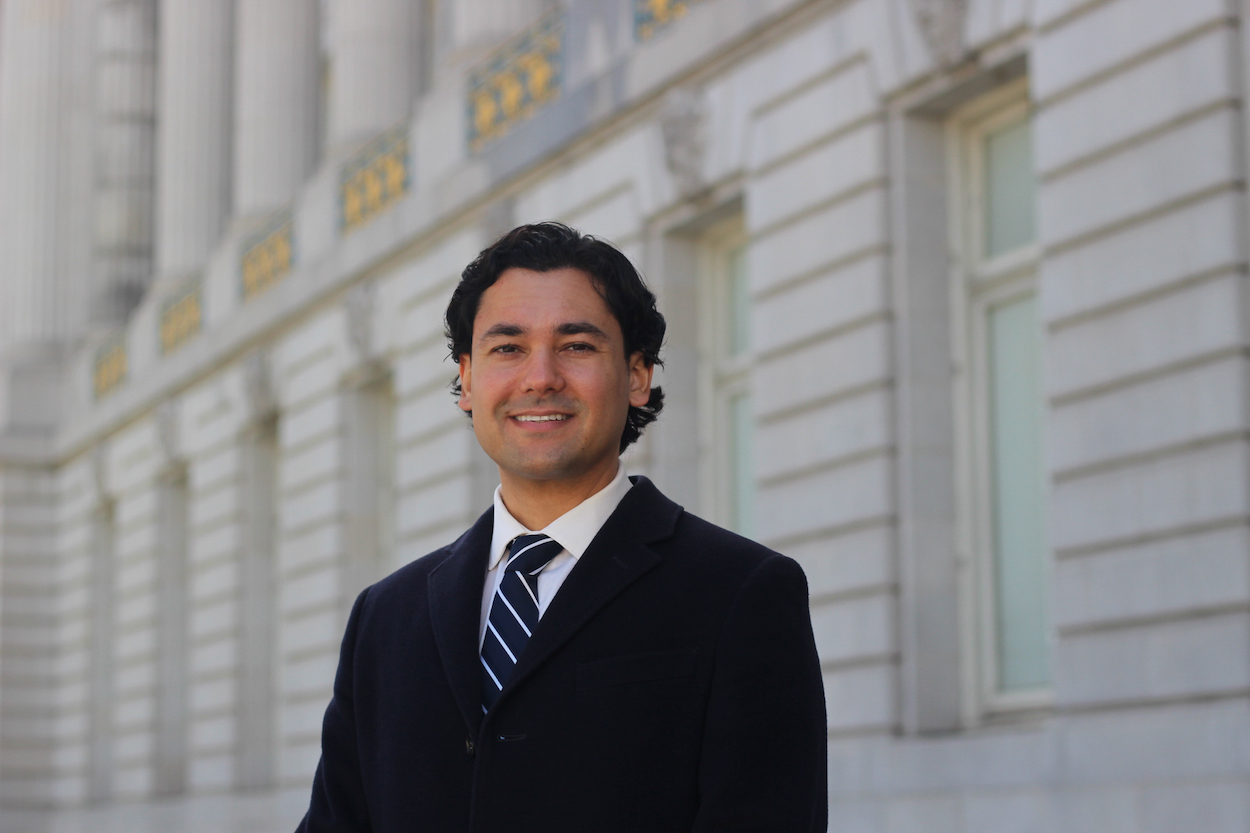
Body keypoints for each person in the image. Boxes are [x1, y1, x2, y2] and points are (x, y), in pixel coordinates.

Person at [296, 222, 827, 832]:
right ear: (467, 379)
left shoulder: (742, 593)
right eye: (508, 348)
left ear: (637, 375)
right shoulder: (385, 618)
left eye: (576, 346)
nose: (540, 376)